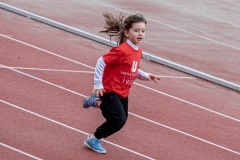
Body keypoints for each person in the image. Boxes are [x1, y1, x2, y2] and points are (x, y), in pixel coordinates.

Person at [82, 12, 160, 154]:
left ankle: (97, 103)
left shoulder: (138, 51)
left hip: (123, 91)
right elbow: (101, 61)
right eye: (136, 30)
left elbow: (133, 70)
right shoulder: (122, 50)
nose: (140, 33)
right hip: (110, 89)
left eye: (143, 31)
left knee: (120, 121)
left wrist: (146, 75)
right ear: (126, 32)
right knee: (118, 119)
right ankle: (93, 138)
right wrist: (98, 84)